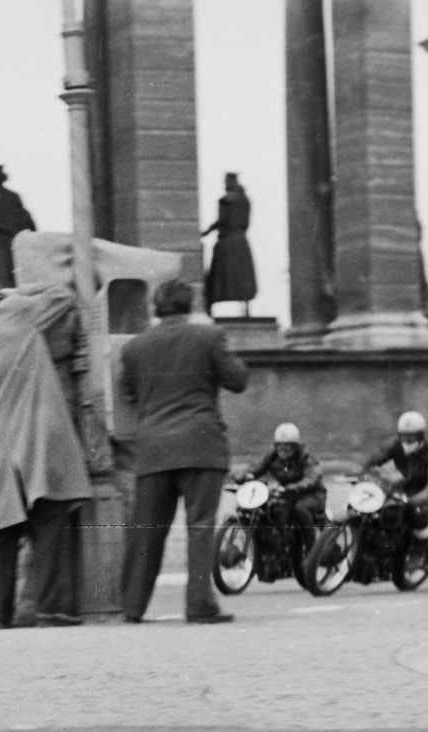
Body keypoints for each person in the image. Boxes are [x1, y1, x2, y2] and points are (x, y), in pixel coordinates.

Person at [0, 269, 93, 629]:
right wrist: (11, 291)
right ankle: (53, 609)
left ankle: (0, 616)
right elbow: (61, 294)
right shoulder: (18, 311)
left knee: (0, 530)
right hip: (37, 432)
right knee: (50, 520)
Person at [119, 278, 250, 623]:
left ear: (156, 308)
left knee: (146, 529)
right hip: (200, 444)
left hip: (153, 449)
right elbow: (237, 380)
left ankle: (132, 606)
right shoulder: (209, 337)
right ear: (190, 305)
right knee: (200, 526)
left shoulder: (134, 347)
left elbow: (128, 393)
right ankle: (199, 605)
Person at [361, 411, 428, 535]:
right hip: (405, 486)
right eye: (403, 437)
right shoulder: (395, 443)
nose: (406, 442)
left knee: (417, 514)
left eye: (411, 439)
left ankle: (418, 553)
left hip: (425, 491)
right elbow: (376, 456)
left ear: (420, 437)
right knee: (379, 506)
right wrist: (359, 467)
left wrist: (421, 498)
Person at [233, 422, 326, 534]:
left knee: (300, 508)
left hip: (312, 494)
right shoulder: (272, 455)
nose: (283, 448)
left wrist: (295, 486)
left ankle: (311, 547)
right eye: (279, 445)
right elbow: (258, 465)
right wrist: (245, 475)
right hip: (286, 492)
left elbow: (312, 477)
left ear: (295, 446)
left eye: (288, 445)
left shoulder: (306, 456)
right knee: (265, 508)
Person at [202, 172, 257, 315]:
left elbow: (222, 220)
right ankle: (246, 307)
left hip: (227, 241)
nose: (225, 184)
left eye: (226, 181)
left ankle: (210, 307)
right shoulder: (245, 199)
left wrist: (206, 231)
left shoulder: (226, 200)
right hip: (241, 240)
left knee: (220, 276)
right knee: (243, 275)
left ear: (230, 182)